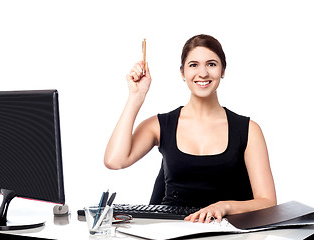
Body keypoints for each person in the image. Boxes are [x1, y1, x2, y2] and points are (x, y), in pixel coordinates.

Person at [104, 34, 276, 223]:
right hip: (171, 229)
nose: (202, 73)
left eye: (211, 64)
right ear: (182, 73)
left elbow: (268, 201)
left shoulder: (249, 130)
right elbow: (115, 160)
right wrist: (136, 96)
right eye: (193, 65)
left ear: (223, 70)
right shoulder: (160, 125)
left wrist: (224, 205)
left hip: (226, 231)